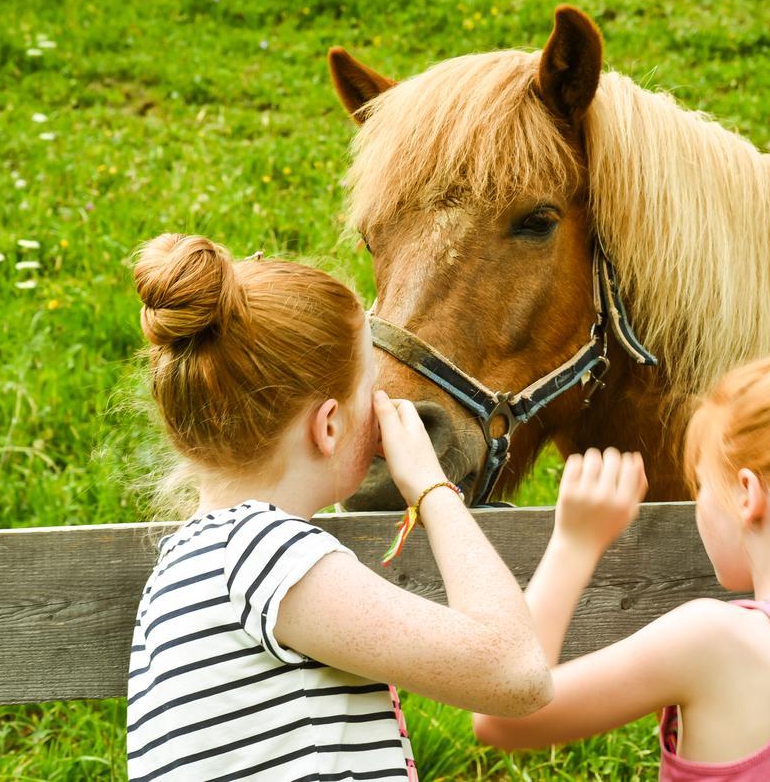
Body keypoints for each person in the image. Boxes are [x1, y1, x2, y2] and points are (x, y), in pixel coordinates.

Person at [126, 234, 552, 782]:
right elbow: (517, 673)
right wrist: (430, 486)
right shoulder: (266, 556)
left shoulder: (194, 559)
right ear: (328, 426)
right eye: (370, 391)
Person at [474, 315, 770, 781]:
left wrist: (575, 543)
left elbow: (503, 717)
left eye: (701, 486)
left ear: (747, 494)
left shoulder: (712, 640)